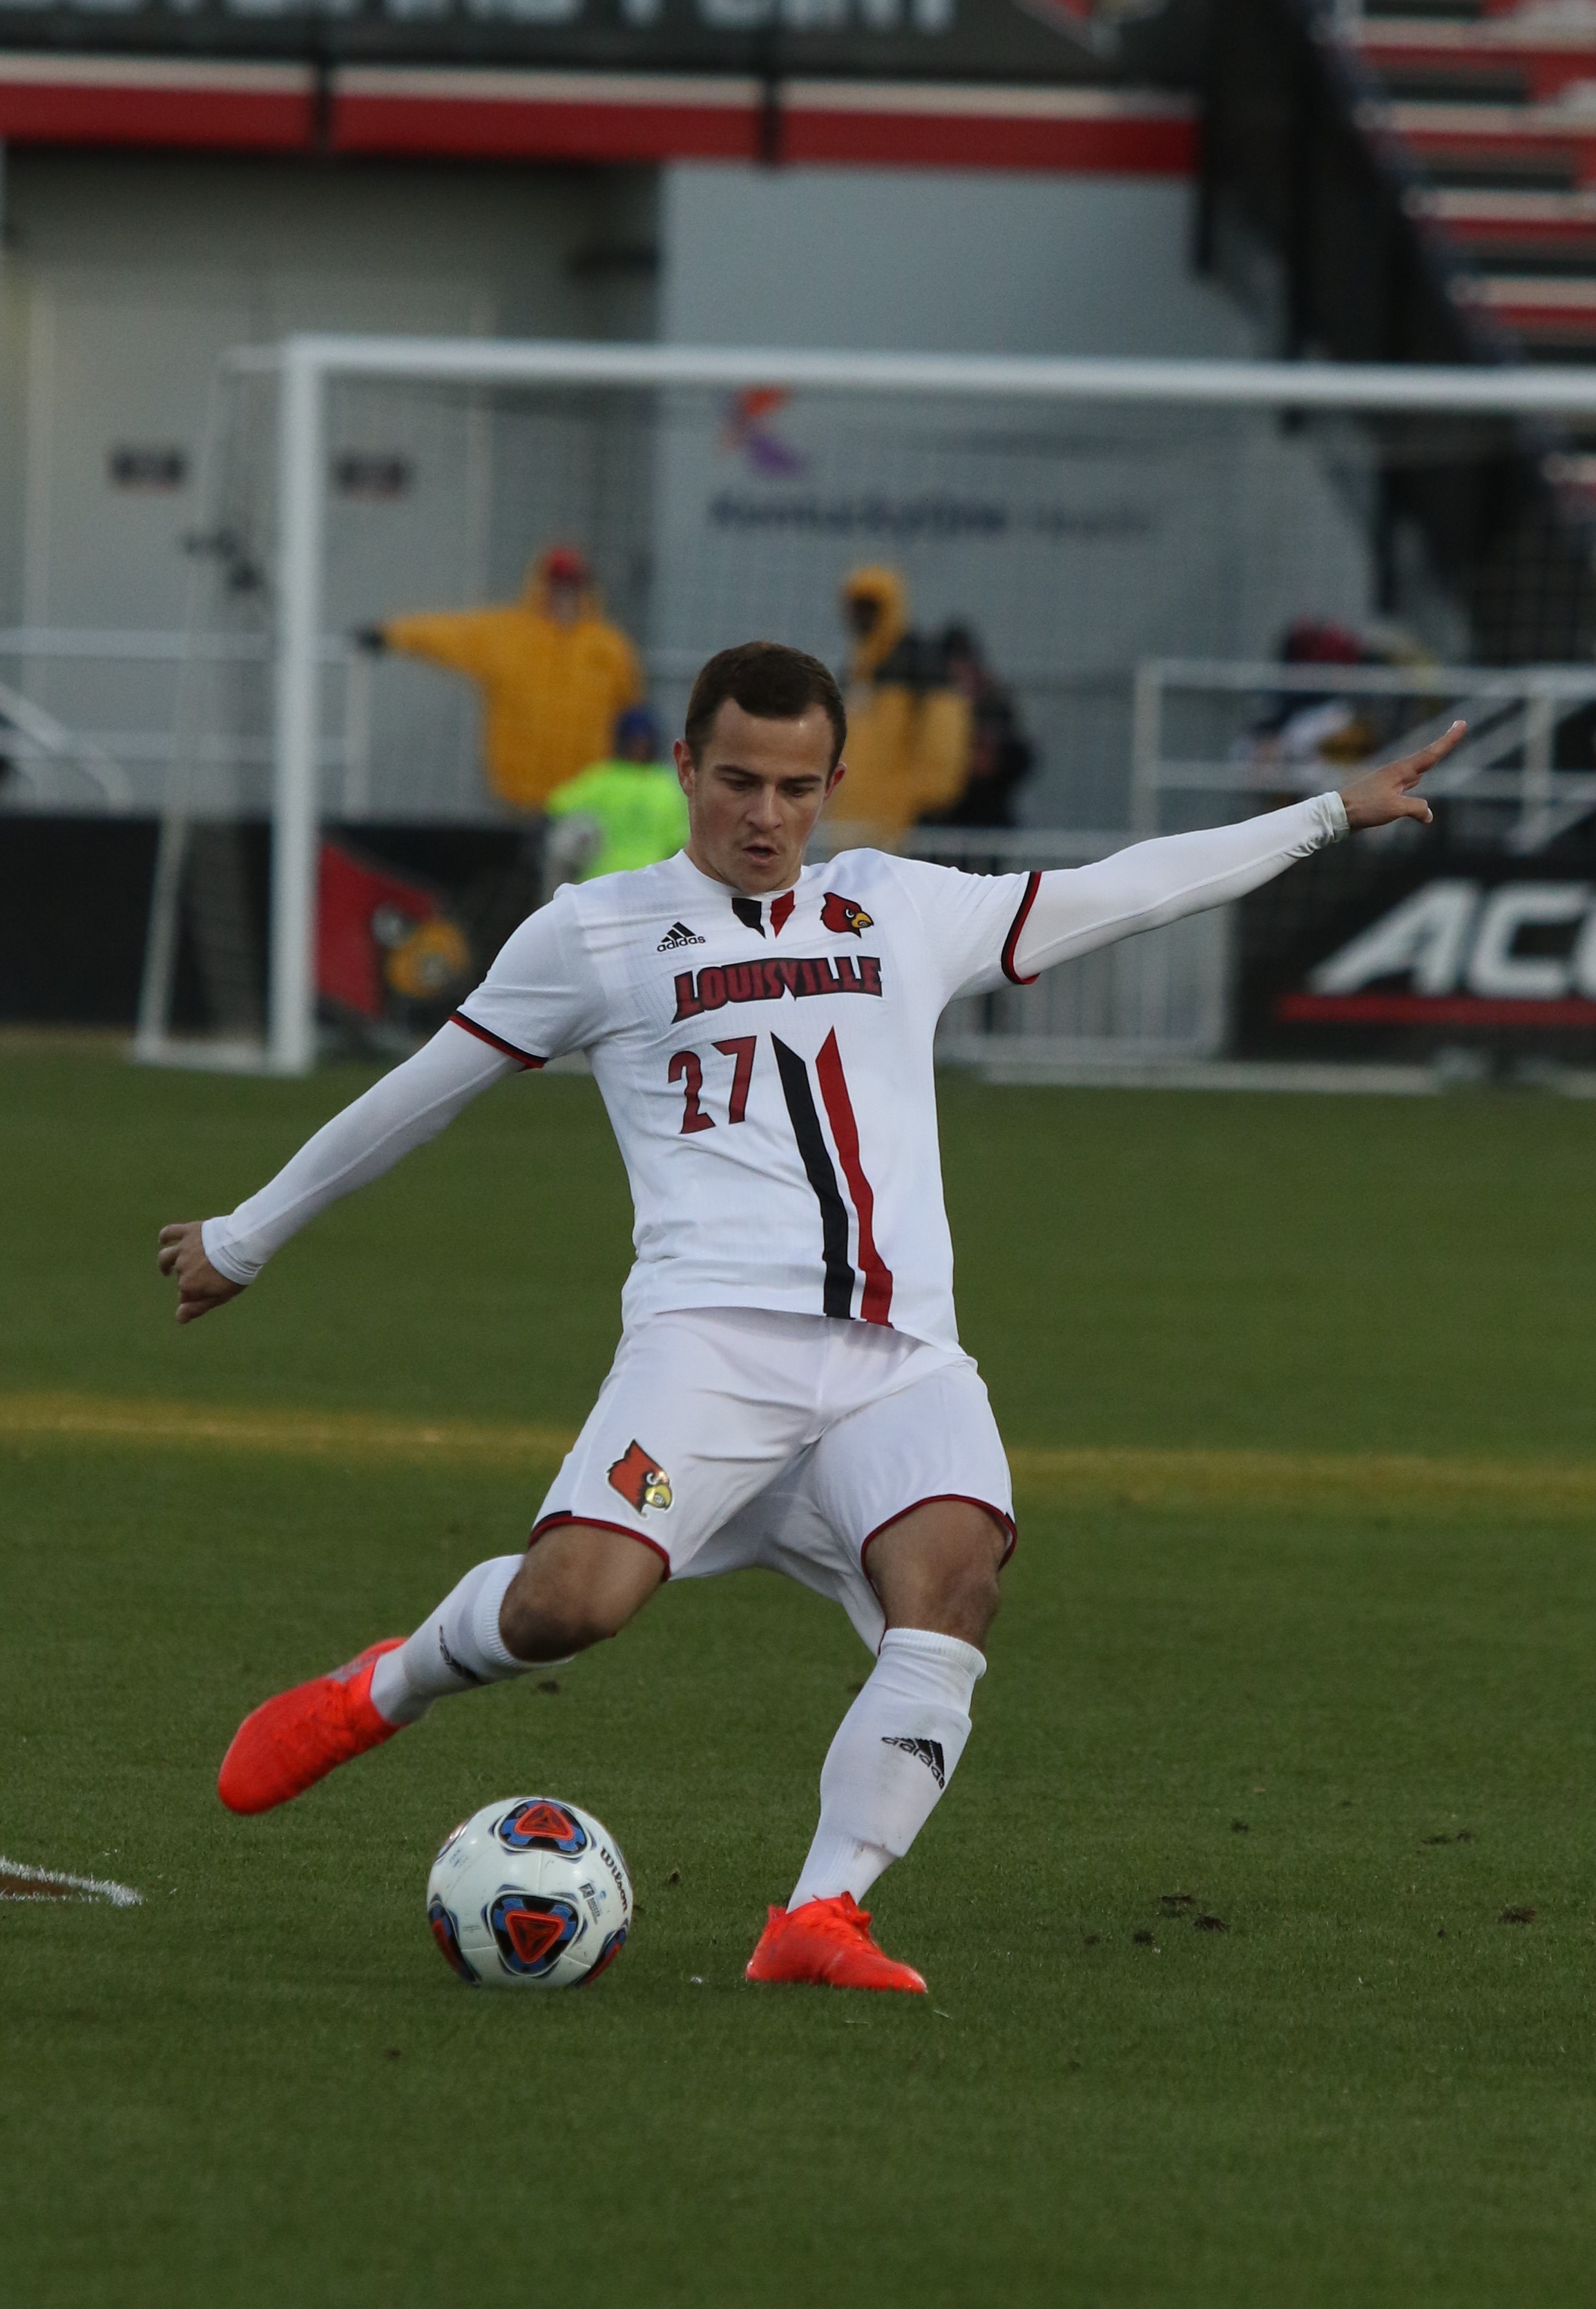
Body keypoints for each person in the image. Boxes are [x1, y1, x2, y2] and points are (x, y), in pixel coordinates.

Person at [158, 644, 1463, 1996]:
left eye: (793, 786)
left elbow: (1120, 890)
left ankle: (819, 1914)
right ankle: (388, 1685)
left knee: (954, 1586)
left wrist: (1326, 812)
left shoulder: (894, 906)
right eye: (735, 780)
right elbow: (418, 1094)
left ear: (833, 783)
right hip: (707, 1356)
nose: (764, 814)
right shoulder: (594, 932)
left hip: (898, 1361)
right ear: (685, 770)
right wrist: (243, 1238)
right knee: (568, 1609)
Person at [358, 546, 642, 813]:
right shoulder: (508, 635)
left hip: (589, 802)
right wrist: (390, 635)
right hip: (519, 800)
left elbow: (632, 715)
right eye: (557, 584)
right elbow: (448, 635)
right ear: (542, 586)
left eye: (572, 585)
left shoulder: (609, 647)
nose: (563, 594)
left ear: (585, 590)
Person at [823, 566, 971, 844]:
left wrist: (927, 803)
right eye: (856, 606)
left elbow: (943, 741)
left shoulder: (921, 668)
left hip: (900, 823)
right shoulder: (857, 670)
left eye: (869, 606)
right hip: (851, 816)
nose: (860, 615)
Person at [543, 706, 690, 891]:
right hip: (640, 884)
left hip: (612, 884)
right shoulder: (666, 784)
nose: (639, 748)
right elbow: (679, 841)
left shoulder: (603, 778)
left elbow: (555, 806)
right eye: (636, 742)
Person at [930, 624, 1035, 832]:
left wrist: (996, 761)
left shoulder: (995, 705)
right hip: (942, 822)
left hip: (986, 823)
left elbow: (1022, 759)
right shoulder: (930, 707)